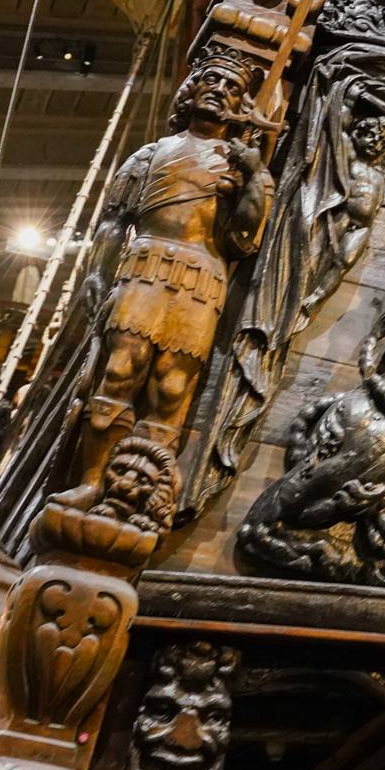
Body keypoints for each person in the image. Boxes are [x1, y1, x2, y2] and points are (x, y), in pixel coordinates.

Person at [76, 52, 275, 491]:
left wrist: (255, 177)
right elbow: (114, 220)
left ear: (241, 103)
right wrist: (96, 272)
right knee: (119, 371)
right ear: (191, 89)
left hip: (202, 275)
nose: (219, 90)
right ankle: (92, 483)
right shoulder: (151, 154)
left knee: (171, 388)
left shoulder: (243, 165)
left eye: (232, 87)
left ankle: (135, 494)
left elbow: (242, 240)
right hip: (145, 263)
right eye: (211, 79)